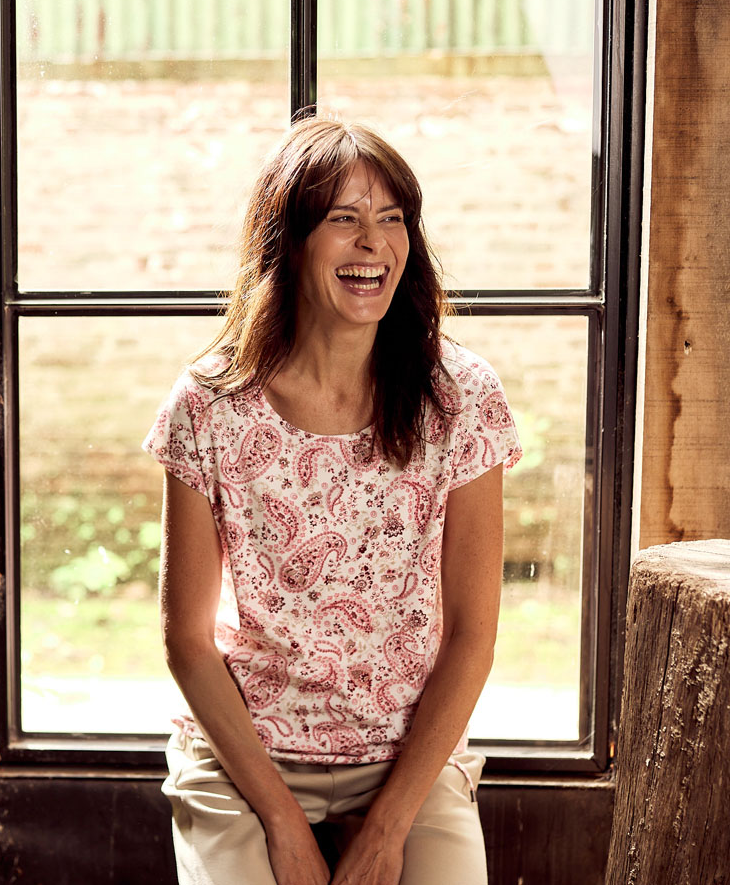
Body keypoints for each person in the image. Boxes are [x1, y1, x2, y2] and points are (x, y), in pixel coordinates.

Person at [141, 118, 522, 885]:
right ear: (290, 241)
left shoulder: (462, 398)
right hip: (243, 757)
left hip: (406, 758)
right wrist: (282, 825)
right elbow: (187, 639)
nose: (372, 243)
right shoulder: (210, 404)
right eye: (344, 219)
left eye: (393, 219)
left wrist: (387, 830)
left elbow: (472, 635)